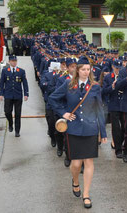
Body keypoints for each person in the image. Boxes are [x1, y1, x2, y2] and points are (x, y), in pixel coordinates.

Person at [49, 56, 107, 208]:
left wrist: (103, 132)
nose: (86, 72)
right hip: (74, 128)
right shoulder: (68, 84)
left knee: (88, 161)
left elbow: (99, 109)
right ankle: (75, 181)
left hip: (90, 128)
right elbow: (53, 98)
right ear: (77, 70)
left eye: (88, 69)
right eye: (83, 69)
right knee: (75, 164)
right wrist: (64, 113)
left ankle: (86, 194)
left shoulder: (95, 87)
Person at [0, 55, 29, 137]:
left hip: (18, 95)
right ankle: (10, 123)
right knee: (7, 112)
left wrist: (26, 94)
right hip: (8, 95)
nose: (14, 62)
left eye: (15, 61)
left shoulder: (21, 71)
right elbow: (2, 83)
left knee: (18, 114)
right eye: (12, 61)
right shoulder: (5, 71)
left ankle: (17, 131)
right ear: (9, 62)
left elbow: (25, 83)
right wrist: (1, 93)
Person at [102, 60, 125, 158]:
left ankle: (121, 143)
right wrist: (112, 87)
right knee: (116, 128)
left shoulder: (124, 76)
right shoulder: (108, 77)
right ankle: (118, 150)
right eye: (116, 68)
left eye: (120, 68)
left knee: (125, 127)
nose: (118, 70)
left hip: (124, 105)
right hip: (114, 105)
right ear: (112, 67)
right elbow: (104, 91)